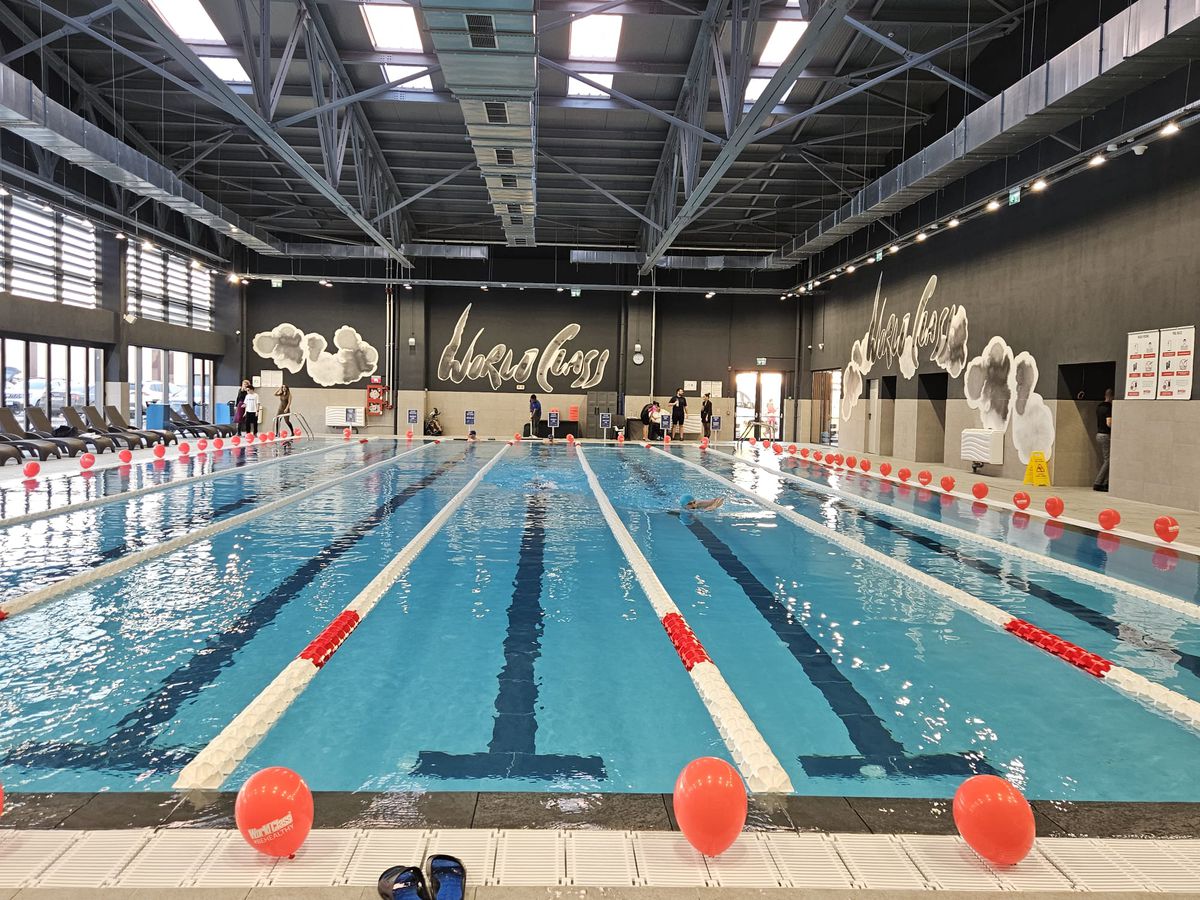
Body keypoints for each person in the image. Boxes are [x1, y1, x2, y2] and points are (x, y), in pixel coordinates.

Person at [1093, 388, 1113, 492]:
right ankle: (1098, 483)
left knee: (1106, 460)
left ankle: (1105, 482)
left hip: (1099, 434)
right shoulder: (1109, 407)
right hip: (1105, 435)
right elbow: (1108, 423)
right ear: (1112, 397)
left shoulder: (1099, 406)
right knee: (1108, 460)